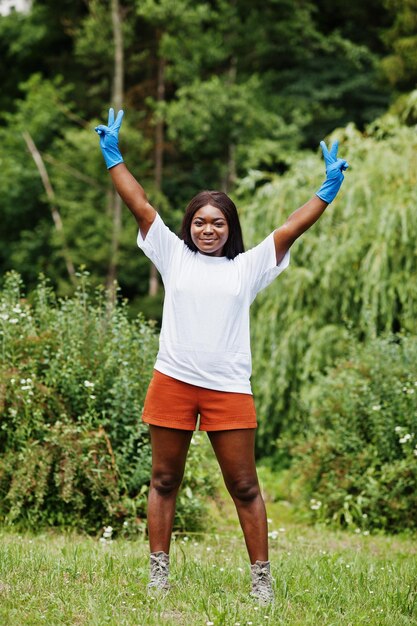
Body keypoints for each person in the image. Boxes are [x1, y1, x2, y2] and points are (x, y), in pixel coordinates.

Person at [95, 108, 348, 605]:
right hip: (172, 381)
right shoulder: (172, 254)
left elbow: (292, 227)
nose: (206, 230)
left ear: (229, 227)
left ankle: (261, 581)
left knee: (245, 486)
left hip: (229, 389)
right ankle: (158, 575)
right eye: (199, 222)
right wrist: (114, 158)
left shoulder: (248, 268)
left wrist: (326, 190)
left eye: (217, 223)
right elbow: (140, 204)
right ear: (188, 227)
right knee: (164, 479)